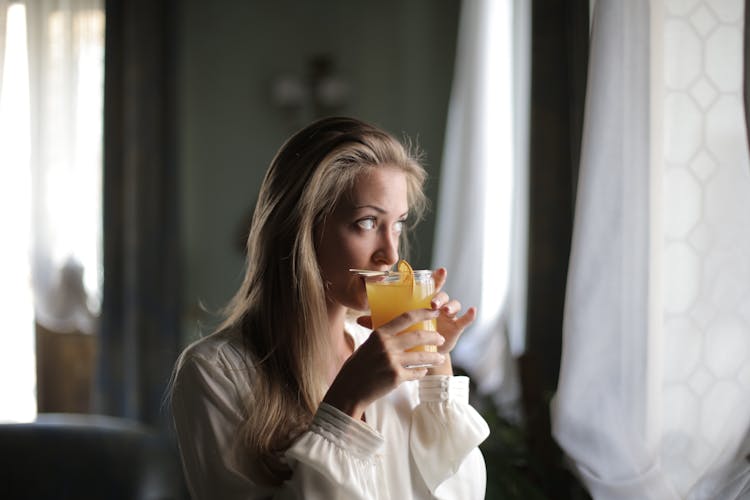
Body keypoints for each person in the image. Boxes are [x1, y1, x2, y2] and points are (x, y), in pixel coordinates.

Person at [170, 116, 490, 499]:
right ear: (302, 229)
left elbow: (464, 492)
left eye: (399, 224)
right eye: (367, 222)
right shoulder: (215, 373)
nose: (390, 253)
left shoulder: (393, 355)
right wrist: (345, 403)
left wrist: (436, 374)